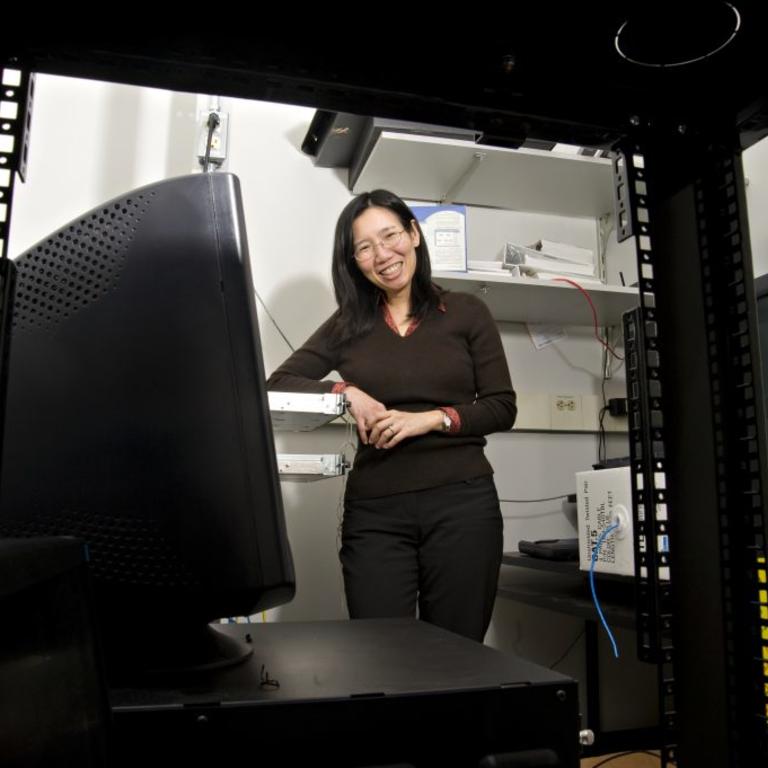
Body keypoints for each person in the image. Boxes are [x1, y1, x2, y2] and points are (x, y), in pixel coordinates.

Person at [267, 189, 517, 642]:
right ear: (353, 262)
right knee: (379, 654)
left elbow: (502, 407)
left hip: (462, 508)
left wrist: (430, 419)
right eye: (364, 247)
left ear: (414, 234)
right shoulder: (348, 325)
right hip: (375, 513)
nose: (382, 255)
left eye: (390, 236)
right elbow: (278, 384)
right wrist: (346, 393)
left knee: (458, 656)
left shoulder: (466, 312)